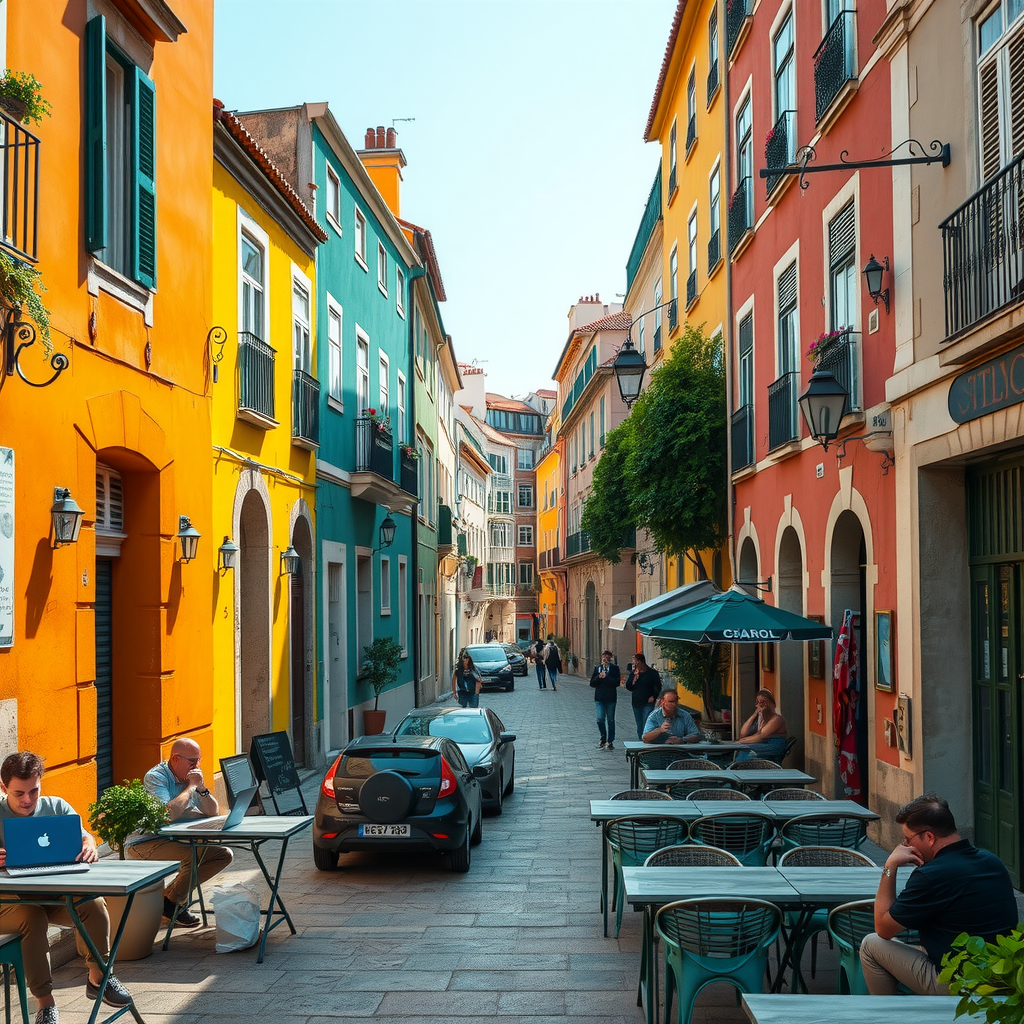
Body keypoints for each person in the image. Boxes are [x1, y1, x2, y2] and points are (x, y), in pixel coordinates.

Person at [0, 751, 132, 1024]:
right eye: (18, 793)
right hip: (10, 904)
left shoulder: (57, 807)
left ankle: (99, 978)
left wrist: (89, 844)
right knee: (31, 916)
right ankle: (46, 1004)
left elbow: (85, 835)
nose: (27, 800)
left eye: (34, 791)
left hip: (54, 897)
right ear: (3, 788)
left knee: (92, 903)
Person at [860, 794, 1017, 996]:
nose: (905, 846)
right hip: (1001, 977)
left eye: (907, 839)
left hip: (959, 985)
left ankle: (887, 1016)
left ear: (929, 837)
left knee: (871, 945)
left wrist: (890, 865)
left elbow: (883, 928)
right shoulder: (992, 861)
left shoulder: (930, 875)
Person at [127, 738, 233, 928]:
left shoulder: (191, 776)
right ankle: (172, 905)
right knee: (192, 856)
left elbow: (212, 811)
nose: (196, 766)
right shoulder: (156, 777)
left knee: (222, 855)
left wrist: (200, 787)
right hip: (144, 842)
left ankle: (170, 901)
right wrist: (191, 787)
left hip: (171, 838)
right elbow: (168, 815)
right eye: (192, 761)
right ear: (176, 759)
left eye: (199, 760)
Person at [735, 688, 787, 761]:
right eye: (758, 702)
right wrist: (754, 714)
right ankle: (736, 766)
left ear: (770, 703)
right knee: (744, 749)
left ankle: (740, 767)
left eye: (763, 702)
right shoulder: (761, 720)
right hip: (764, 744)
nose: (760, 705)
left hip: (773, 746)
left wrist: (741, 742)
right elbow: (743, 733)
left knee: (747, 750)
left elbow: (761, 736)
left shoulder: (777, 719)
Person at [625, 651, 662, 741]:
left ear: (641, 662)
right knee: (639, 724)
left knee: (646, 722)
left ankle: (647, 740)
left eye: (636, 662)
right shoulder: (634, 673)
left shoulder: (652, 673)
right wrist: (634, 679)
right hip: (636, 702)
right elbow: (628, 687)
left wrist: (654, 696)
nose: (635, 664)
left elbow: (658, 686)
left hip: (648, 702)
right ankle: (641, 741)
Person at [590, 650, 621, 750]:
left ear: (610, 658)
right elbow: (592, 683)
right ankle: (603, 737)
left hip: (611, 698)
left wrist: (606, 677)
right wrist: (599, 677)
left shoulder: (615, 669)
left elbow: (617, 683)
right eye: (604, 657)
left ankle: (610, 740)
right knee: (600, 719)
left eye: (607, 657)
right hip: (599, 698)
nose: (605, 659)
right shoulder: (597, 668)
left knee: (610, 720)